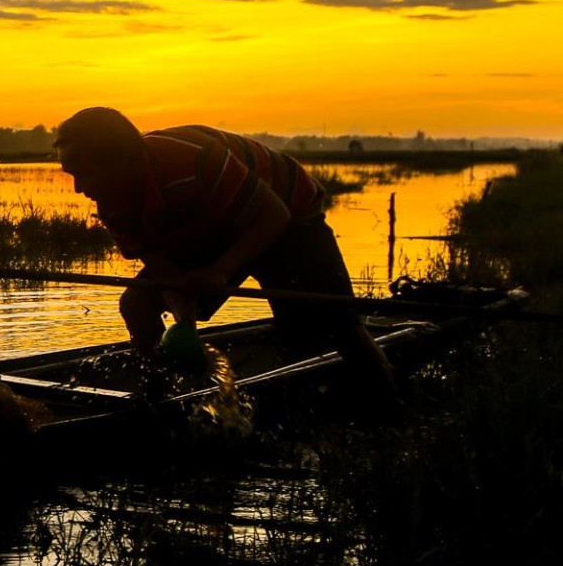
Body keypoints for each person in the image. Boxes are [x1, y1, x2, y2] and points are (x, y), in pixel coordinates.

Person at [52, 107, 394, 393]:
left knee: (337, 322)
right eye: (72, 174)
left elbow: (274, 215)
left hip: (287, 214)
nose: (79, 188)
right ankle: (164, 394)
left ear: (118, 161)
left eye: (84, 173)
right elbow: (165, 272)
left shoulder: (191, 161)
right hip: (209, 226)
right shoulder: (113, 204)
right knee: (137, 304)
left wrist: (221, 270)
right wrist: (185, 323)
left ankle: (389, 404)